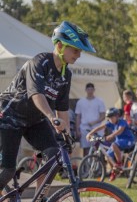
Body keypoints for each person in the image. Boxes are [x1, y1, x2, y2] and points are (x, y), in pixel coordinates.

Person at [0, 21, 93, 192]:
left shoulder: (66, 74)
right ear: (60, 45)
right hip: (10, 116)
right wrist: (52, 118)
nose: (79, 55)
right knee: (8, 170)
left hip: (34, 120)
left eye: (80, 51)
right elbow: (36, 95)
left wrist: (67, 138)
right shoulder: (39, 62)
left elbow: (63, 108)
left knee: (54, 157)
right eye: (75, 50)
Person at [75, 82, 106, 152]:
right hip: (84, 129)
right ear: (86, 90)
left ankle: (97, 162)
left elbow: (103, 116)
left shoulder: (99, 101)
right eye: (88, 89)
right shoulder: (80, 102)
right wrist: (77, 130)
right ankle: (86, 162)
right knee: (86, 148)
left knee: (97, 148)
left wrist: (94, 122)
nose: (90, 91)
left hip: (96, 129)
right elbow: (78, 117)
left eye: (91, 89)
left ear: (94, 90)